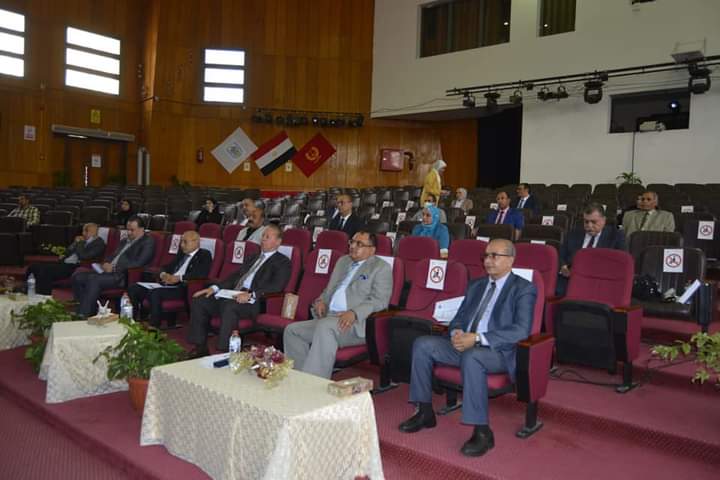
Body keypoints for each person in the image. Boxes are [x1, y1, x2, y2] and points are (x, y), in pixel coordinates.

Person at [398, 239, 536, 457]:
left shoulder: (524, 288)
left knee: (473, 356)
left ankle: (482, 431)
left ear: (510, 260)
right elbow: (459, 318)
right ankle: (424, 411)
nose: (488, 260)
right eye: (486, 256)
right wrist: (456, 332)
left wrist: (479, 338)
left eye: (494, 256)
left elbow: (521, 331)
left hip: (499, 352)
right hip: (466, 344)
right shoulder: (476, 285)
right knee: (423, 344)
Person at [284, 231, 392, 379]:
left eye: (359, 244)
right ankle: (299, 378)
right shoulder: (343, 261)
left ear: (372, 250)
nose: (353, 246)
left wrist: (354, 313)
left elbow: (380, 301)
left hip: (355, 324)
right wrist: (320, 301)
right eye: (352, 242)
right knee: (292, 330)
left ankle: (314, 384)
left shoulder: (381, 268)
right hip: (329, 317)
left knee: (325, 327)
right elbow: (328, 290)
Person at [188, 224, 291, 356]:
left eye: (267, 237)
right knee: (200, 300)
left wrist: (251, 295)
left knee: (230, 306)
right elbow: (234, 277)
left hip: (254, 302)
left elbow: (276, 287)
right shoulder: (253, 257)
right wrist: (214, 288)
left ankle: (224, 352)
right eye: (263, 236)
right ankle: (200, 347)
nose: (263, 239)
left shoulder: (282, 262)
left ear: (278, 242)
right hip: (233, 294)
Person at [72, 216, 155, 317]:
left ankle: (84, 314)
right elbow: (113, 255)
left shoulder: (147, 241)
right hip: (108, 271)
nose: (129, 232)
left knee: (93, 279)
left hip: (123, 275)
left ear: (141, 229)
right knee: (78, 277)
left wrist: (114, 267)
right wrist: (106, 263)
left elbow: (139, 262)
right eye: (127, 229)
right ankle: (87, 308)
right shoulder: (124, 240)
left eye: (132, 230)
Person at [128, 230, 212, 329]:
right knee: (134, 287)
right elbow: (168, 266)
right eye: (181, 242)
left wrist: (179, 278)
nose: (182, 245)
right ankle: (132, 319)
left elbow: (201, 274)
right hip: (167, 284)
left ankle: (154, 325)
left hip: (183, 287)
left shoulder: (204, 255)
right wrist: (163, 274)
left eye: (185, 242)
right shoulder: (182, 253)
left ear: (196, 242)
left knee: (155, 292)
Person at [557, 203, 626, 296]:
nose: (589, 225)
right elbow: (561, 255)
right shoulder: (573, 233)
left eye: (594, 222)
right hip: (572, 278)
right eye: (586, 222)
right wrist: (563, 266)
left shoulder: (616, 236)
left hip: (599, 280)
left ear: (604, 220)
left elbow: (621, 263)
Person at [26, 223, 106, 295]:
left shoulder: (99, 244)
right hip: (64, 263)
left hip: (75, 266)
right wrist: (75, 243)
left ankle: (43, 296)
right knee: (33, 266)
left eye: (86, 231)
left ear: (94, 232)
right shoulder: (83, 240)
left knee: (45, 271)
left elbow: (83, 256)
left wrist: (80, 243)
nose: (83, 233)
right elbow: (67, 251)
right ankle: (28, 289)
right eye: (83, 231)